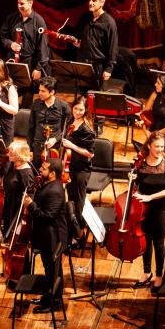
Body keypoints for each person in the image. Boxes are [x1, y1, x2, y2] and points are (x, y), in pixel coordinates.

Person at [131, 132, 165, 291]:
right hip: (143, 208)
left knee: (158, 242)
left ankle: (159, 275)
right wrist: (132, 180)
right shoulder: (141, 163)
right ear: (149, 146)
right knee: (145, 240)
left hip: (160, 208)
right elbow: (136, 184)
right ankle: (146, 272)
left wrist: (150, 197)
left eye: (162, 146)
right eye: (156, 146)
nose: (159, 149)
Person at [22, 158, 67, 313]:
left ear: (53, 174)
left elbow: (48, 216)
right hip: (45, 235)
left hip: (53, 238)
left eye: (44, 168)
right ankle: (48, 295)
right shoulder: (47, 184)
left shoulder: (55, 191)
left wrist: (31, 205)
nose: (40, 169)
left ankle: (55, 302)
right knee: (49, 269)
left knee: (53, 270)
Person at [0, 0, 50, 108]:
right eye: (18, 3)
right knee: (9, 88)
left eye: (22, 4)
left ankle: (24, 118)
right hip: (12, 60)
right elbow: (3, 36)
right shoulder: (12, 18)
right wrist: (10, 44)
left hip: (29, 62)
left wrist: (38, 68)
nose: (19, 6)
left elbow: (43, 46)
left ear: (31, 3)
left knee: (28, 91)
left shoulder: (38, 21)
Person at [61, 96, 95, 235]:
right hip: (70, 166)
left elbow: (90, 154)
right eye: (75, 108)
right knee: (71, 198)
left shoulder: (86, 130)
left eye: (81, 109)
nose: (78, 112)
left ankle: (79, 231)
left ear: (86, 110)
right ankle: (71, 227)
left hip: (81, 170)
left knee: (78, 201)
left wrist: (72, 146)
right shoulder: (70, 121)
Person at [72, 0, 118, 87]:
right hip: (82, 63)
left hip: (98, 66)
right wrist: (78, 42)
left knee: (94, 96)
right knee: (82, 94)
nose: (90, 3)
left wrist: (109, 69)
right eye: (89, 0)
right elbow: (78, 35)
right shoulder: (85, 18)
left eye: (94, 0)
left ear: (102, 2)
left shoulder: (109, 22)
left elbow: (113, 47)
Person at [27, 76, 71, 168]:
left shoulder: (63, 106)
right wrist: (30, 148)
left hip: (54, 147)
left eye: (43, 91)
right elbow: (31, 127)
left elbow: (67, 128)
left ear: (52, 92)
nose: (39, 93)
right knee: (37, 171)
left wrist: (55, 139)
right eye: (39, 90)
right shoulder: (36, 104)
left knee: (52, 173)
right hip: (37, 146)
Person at [139, 73, 165, 161]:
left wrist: (158, 134)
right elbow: (145, 114)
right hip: (154, 130)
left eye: (158, 83)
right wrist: (146, 131)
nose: (155, 84)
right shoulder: (155, 94)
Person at [0, 141, 35, 241]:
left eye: (11, 152)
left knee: (11, 238)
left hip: (16, 210)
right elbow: (8, 181)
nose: (8, 153)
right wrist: (0, 182)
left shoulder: (26, 174)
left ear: (19, 155)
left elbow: (29, 198)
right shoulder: (13, 165)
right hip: (9, 204)